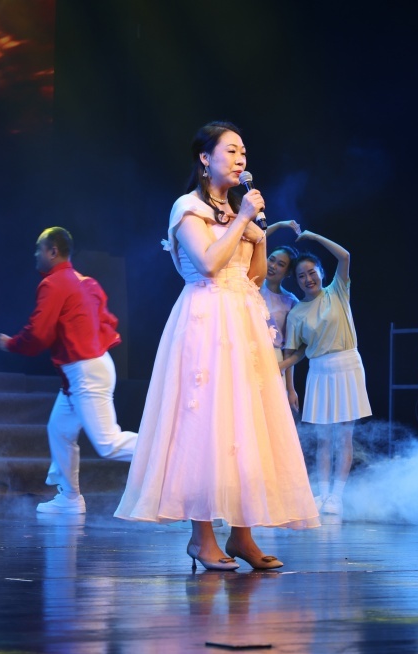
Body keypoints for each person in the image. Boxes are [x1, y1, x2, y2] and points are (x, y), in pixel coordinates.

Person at [115, 121, 319, 571]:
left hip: (244, 322)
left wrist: (257, 236)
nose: (241, 158)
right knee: (205, 423)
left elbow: (253, 277)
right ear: (205, 159)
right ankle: (201, 537)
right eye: (231, 150)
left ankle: (243, 536)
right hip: (205, 321)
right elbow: (208, 264)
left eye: (244, 151)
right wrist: (243, 219)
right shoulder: (187, 207)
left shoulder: (239, 211)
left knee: (246, 424)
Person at [0, 227, 136, 515]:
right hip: (87, 369)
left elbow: (38, 333)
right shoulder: (86, 282)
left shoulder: (54, 283)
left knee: (108, 444)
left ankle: (170, 454)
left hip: (84, 371)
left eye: (39, 248)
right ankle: (70, 498)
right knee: (59, 429)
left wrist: (12, 344)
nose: (35, 254)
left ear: (53, 251)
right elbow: (106, 321)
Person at [282, 230, 372, 522]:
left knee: (344, 435)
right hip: (319, 371)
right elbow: (293, 353)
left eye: (312, 272)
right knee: (323, 438)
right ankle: (321, 493)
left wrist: (313, 237)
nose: (308, 279)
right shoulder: (297, 313)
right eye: (301, 276)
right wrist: (290, 387)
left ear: (321, 272)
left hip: (347, 364)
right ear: (296, 282)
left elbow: (345, 256)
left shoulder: (337, 291)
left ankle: (337, 496)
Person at [259, 228, 301, 413]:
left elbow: (291, 349)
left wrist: (290, 388)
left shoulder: (291, 302)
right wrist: (281, 224)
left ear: (288, 272)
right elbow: (258, 238)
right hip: (245, 354)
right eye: (272, 259)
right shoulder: (250, 286)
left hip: (273, 360)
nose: (273, 266)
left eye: (281, 264)